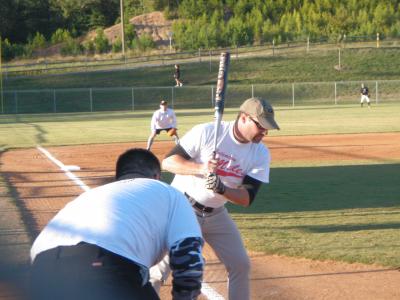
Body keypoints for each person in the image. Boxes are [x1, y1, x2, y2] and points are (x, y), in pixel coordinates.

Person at [30, 148, 204, 300]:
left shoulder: (90, 196)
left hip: (40, 271)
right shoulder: (169, 193)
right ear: (156, 176)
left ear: (118, 178)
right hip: (104, 268)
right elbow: (189, 258)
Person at [150, 97, 280, 300]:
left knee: (240, 264)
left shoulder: (260, 153)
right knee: (159, 269)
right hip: (183, 208)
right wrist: (201, 168)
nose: (265, 131)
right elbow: (168, 162)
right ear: (244, 118)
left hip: (216, 214)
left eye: (267, 127)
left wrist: (222, 189)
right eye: (261, 126)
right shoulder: (208, 132)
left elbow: (246, 197)